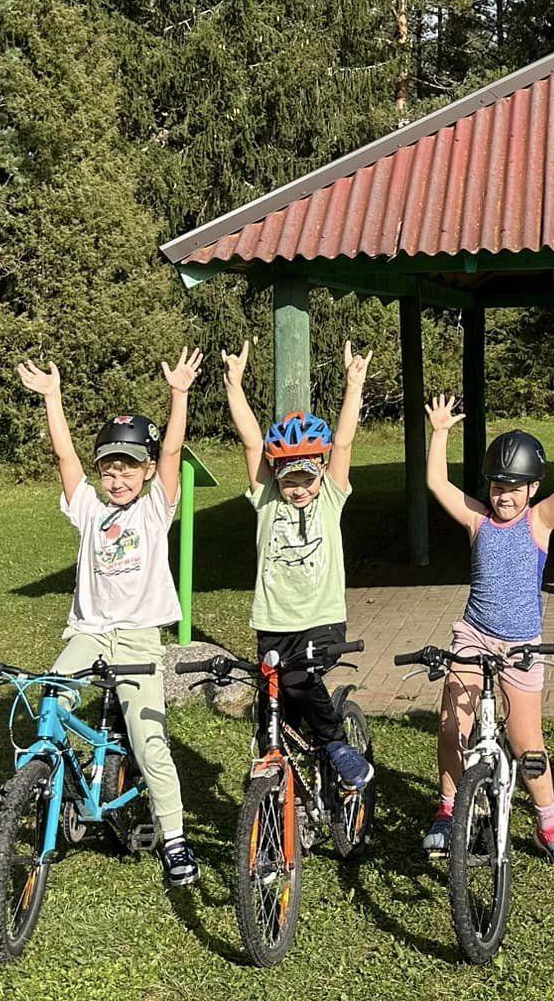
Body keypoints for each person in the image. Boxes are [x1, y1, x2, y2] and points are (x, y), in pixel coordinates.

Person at [15, 348, 202, 887]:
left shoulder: (155, 508)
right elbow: (65, 457)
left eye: (128, 468)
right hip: (90, 633)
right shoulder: (90, 510)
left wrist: (179, 395)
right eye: (108, 469)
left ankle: (175, 839)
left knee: (150, 743)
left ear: (147, 472)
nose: (117, 478)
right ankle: (47, 785)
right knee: (52, 702)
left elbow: (172, 450)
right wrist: (53, 398)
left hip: (138, 640)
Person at [419, 394, 554, 871]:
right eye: (498, 487)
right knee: (452, 725)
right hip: (474, 636)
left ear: (532, 488)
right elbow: (437, 482)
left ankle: (549, 825)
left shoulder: (538, 522)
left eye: (515, 488)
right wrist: (440, 433)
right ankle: (448, 809)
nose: (505, 497)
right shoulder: (477, 520)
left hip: (521, 646)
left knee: (528, 746)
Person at [222, 338, 375, 789]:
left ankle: (335, 744)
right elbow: (252, 441)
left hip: (322, 620)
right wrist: (234, 385)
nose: (299, 488)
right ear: (277, 476)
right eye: (290, 480)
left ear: (320, 473)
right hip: (273, 622)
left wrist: (353, 385)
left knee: (297, 681)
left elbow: (343, 442)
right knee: (275, 713)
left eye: (307, 478)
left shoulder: (330, 497)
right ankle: (287, 803)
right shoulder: (267, 499)